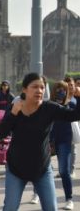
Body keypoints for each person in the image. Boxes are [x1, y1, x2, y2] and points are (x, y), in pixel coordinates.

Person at [0, 72, 80, 211]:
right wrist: (13, 113)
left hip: (42, 168)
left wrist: (78, 96)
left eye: (42, 87)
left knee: (51, 208)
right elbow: (0, 133)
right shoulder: (15, 107)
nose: (39, 90)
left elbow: (74, 115)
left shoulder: (49, 108)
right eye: (35, 87)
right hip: (16, 169)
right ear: (24, 89)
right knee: (10, 207)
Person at [48, 81, 75, 210]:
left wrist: (72, 99)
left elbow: (74, 112)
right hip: (48, 141)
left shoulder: (71, 103)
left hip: (64, 140)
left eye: (63, 89)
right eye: (58, 89)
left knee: (64, 171)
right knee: (41, 171)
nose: (61, 91)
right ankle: (37, 195)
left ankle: (69, 199)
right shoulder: (49, 104)